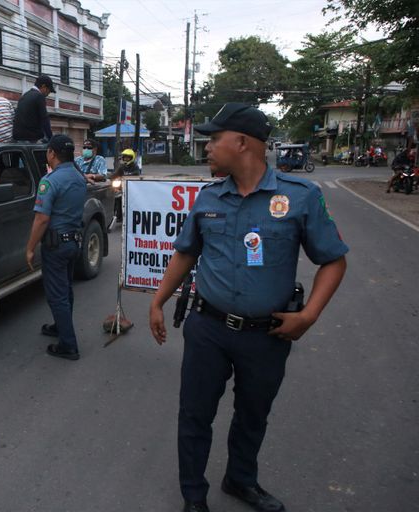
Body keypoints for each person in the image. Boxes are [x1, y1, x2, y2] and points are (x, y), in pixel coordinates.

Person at [148, 103, 349, 512]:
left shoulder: (299, 197)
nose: (206, 148)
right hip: (208, 328)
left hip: (267, 335)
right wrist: (157, 301)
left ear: (241, 143)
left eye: (213, 139)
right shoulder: (208, 197)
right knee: (194, 416)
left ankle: (241, 480)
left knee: (253, 415)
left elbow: (333, 259)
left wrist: (308, 316)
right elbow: (186, 253)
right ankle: (193, 497)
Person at [26, 134, 87, 360]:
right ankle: (60, 327)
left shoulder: (49, 181)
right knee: (66, 289)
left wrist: (30, 248)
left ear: (52, 153)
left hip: (56, 245)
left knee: (57, 295)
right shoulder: (79, 178)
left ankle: (68, 345)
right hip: (73, 243)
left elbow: (41, 219)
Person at [12, 75, 54, 143]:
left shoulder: (24, 96)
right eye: (49, 91)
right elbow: (45, 120)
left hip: (17, 137)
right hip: (31, 138)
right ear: (43, 86)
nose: (48, 94)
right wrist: (51, 139)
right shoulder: (39, 96)